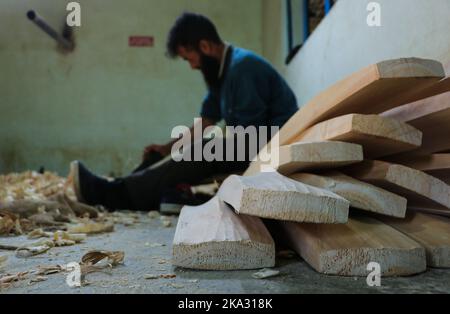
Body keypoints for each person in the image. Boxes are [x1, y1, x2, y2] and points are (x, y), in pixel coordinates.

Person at [70, 12, 298, 211]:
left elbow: (248, 135)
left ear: (205, 46)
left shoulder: (243, 68)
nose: (192, 66)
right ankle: (119, 188)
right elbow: (206, 122)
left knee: (208, 148)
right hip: (252, 142)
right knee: (187, 148)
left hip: (275, 147)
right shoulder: (221, 73)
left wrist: (193, 152)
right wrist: (166, 149)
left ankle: (118, 194)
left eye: (190, 58)